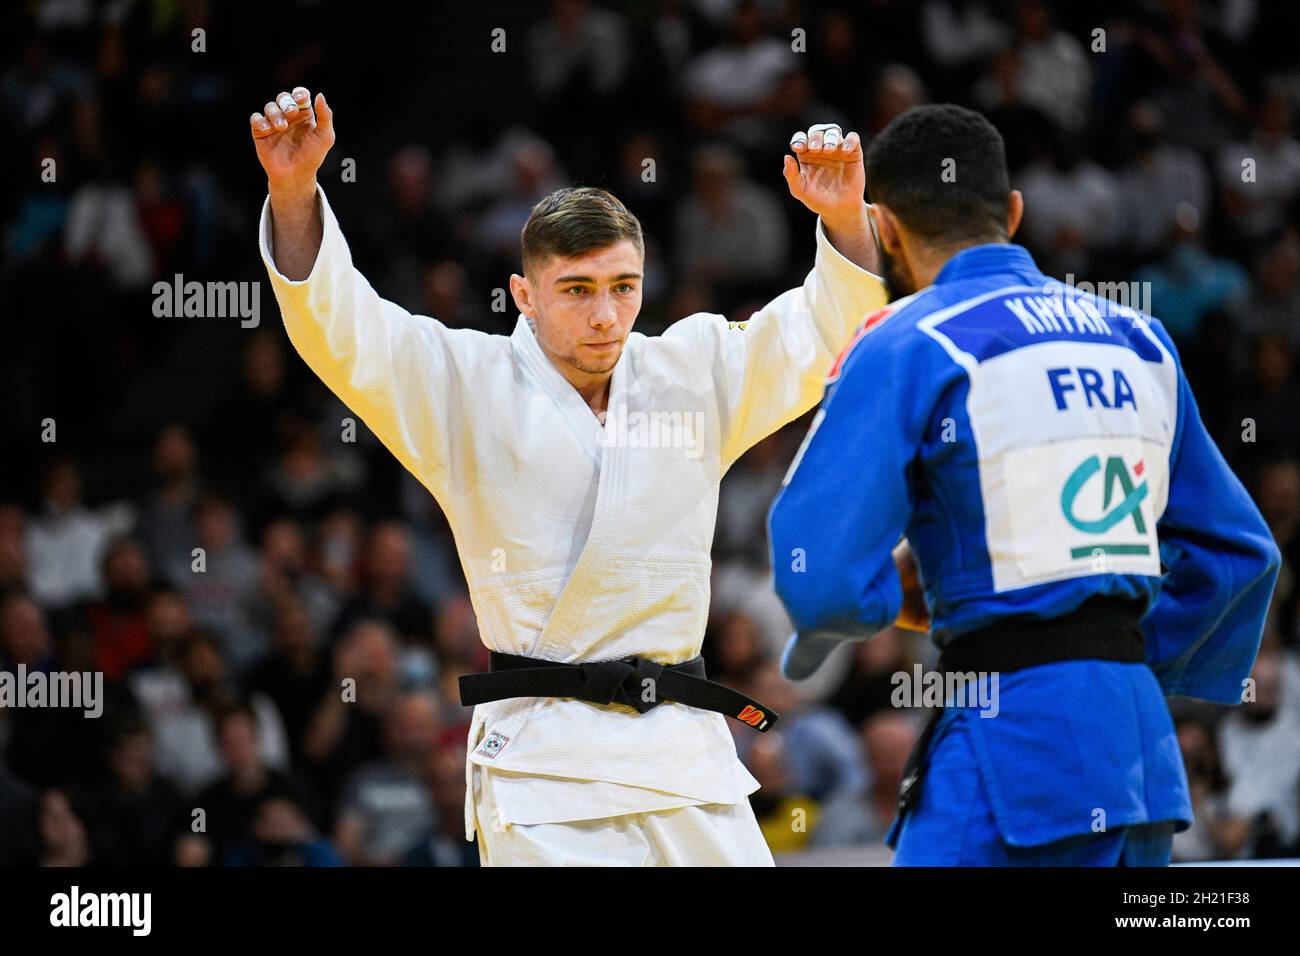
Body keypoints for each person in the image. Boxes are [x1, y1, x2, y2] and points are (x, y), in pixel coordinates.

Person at [248, 86, 886, 866]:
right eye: (577, 291)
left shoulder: (695, 368)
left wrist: (846, 217)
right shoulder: (464, 382)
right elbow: (342, 331)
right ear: (523, 294)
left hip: (686, 760)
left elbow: (825, 329)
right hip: (543, 770)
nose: (605, 316)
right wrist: (292, 190)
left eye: (623, 288)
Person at [768, 104, 1281, 866]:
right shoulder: (1139, 339)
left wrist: (901, 603)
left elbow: (824, 583)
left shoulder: (909, 339)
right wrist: (1114, 655)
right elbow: (1242, 556)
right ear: (1012, 212)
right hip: (1140, 756)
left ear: (885, 230)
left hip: (1012, 752)